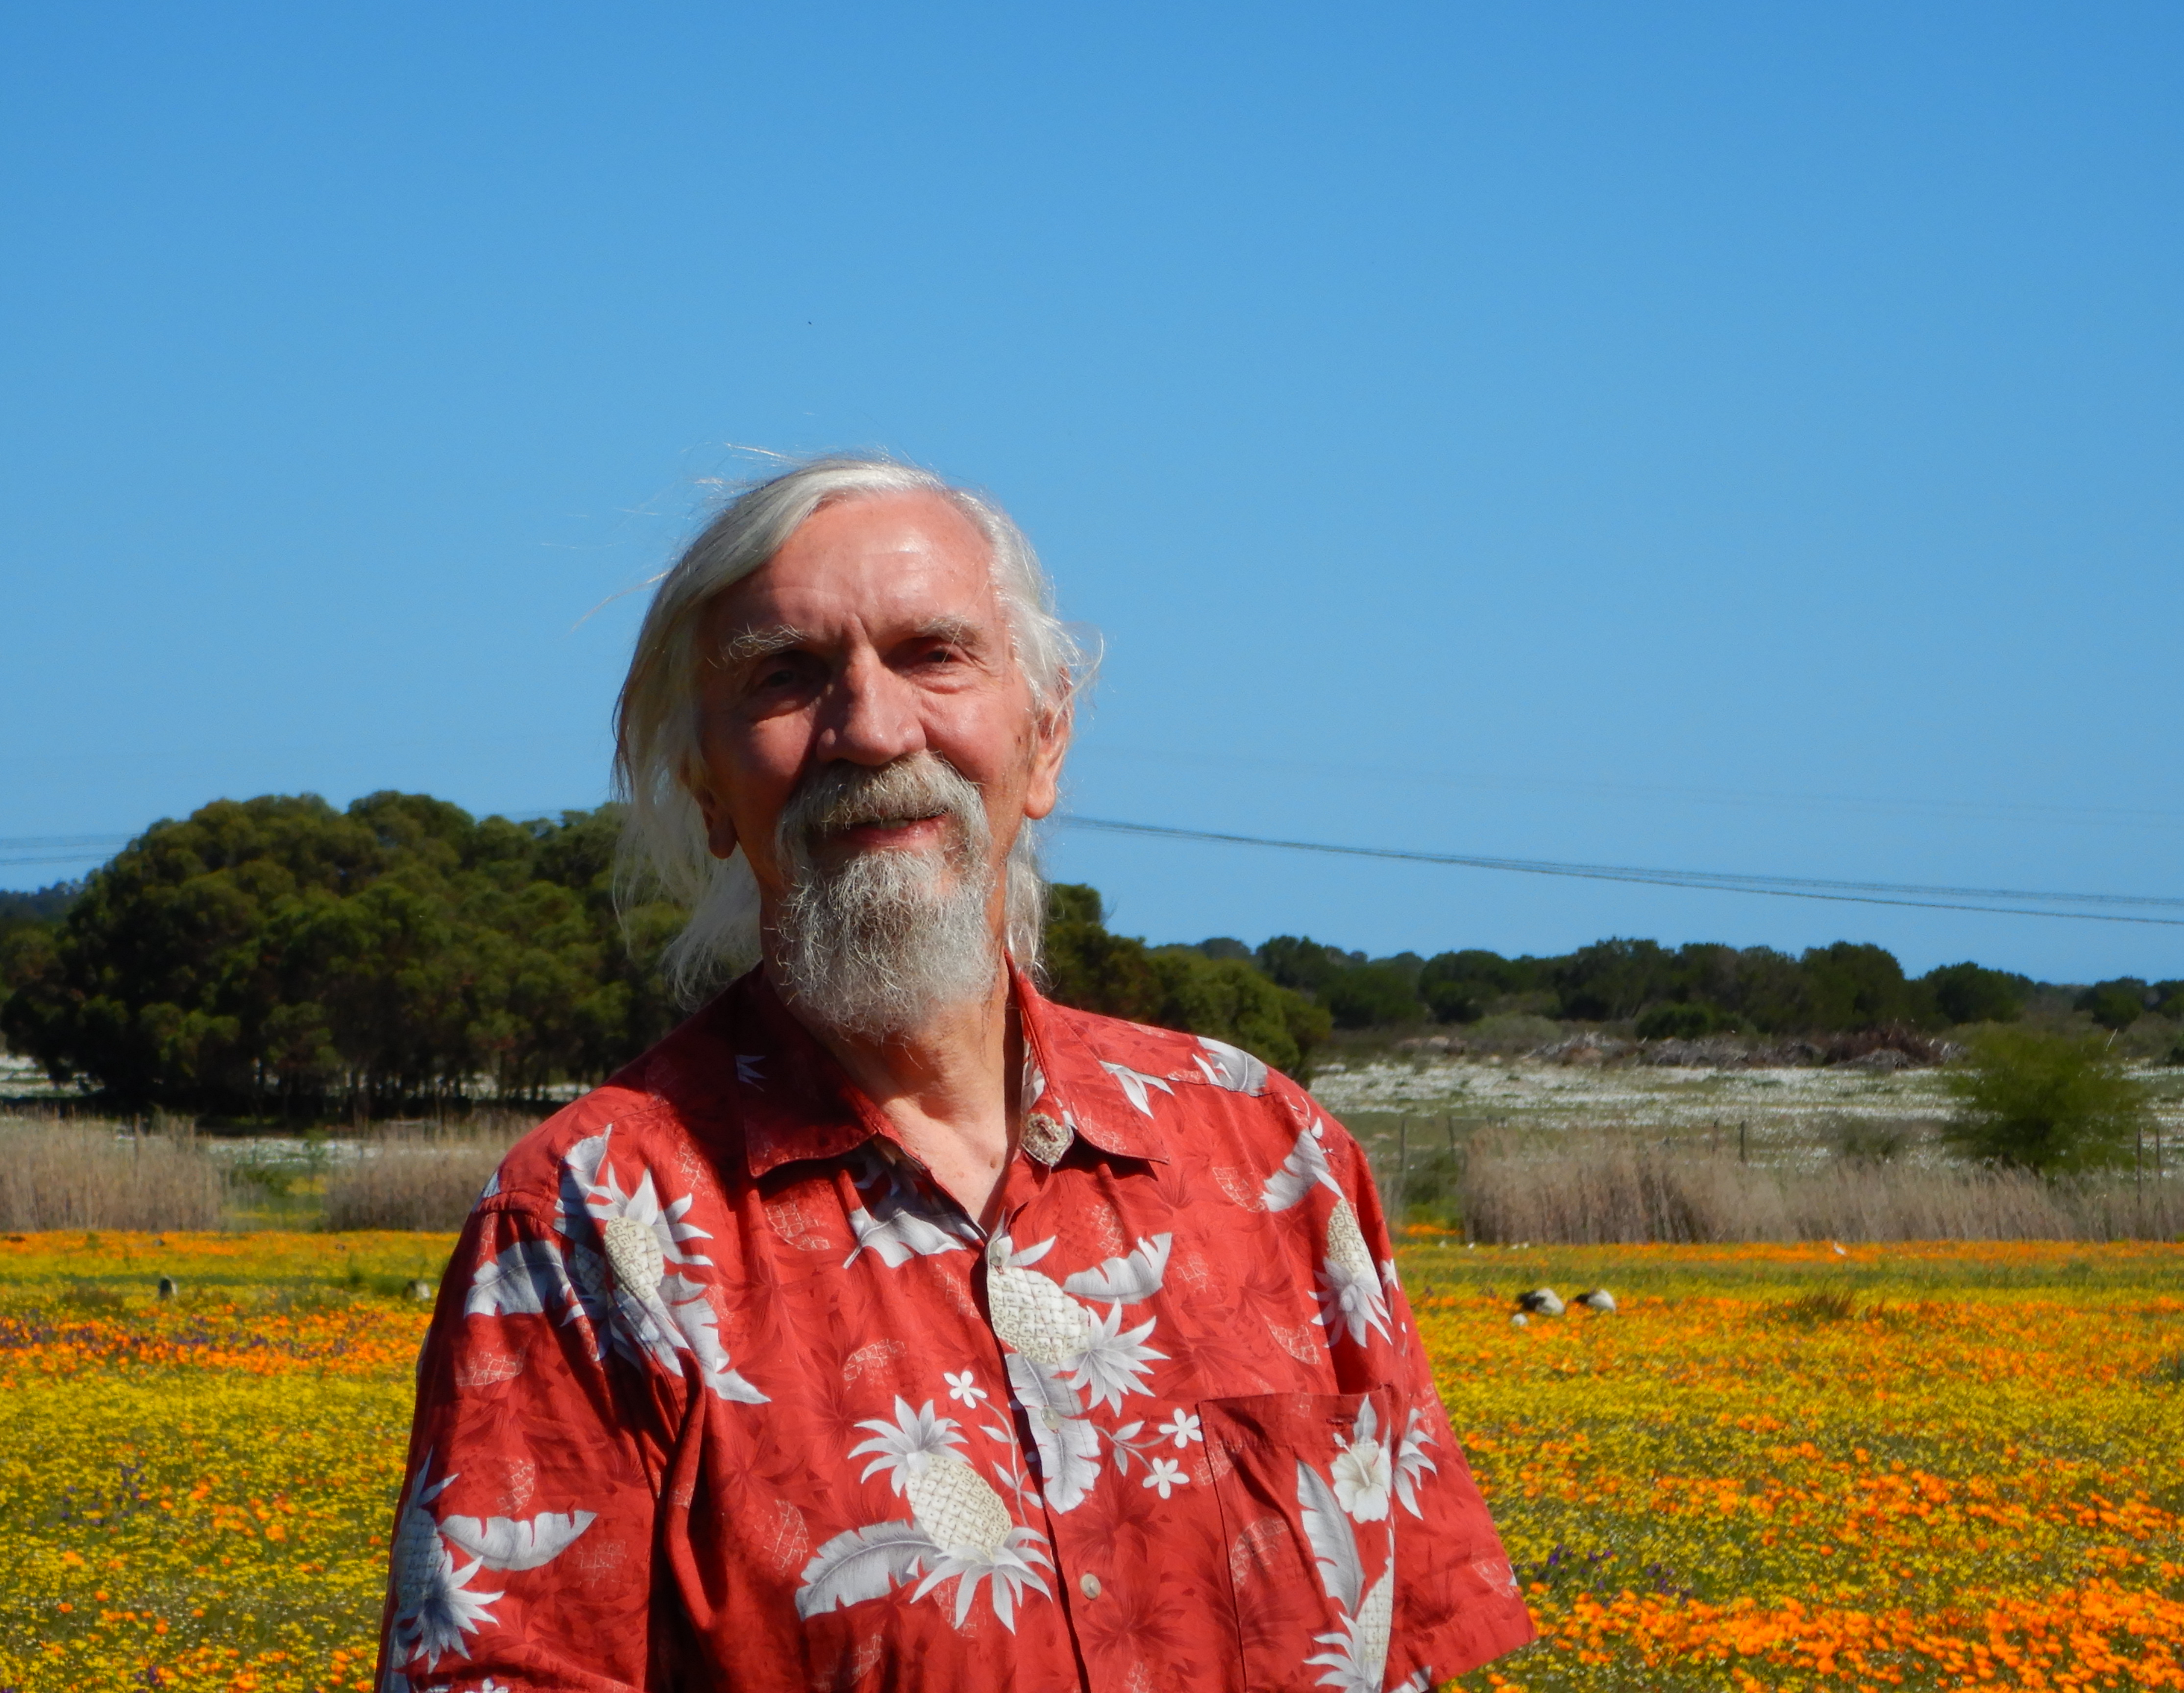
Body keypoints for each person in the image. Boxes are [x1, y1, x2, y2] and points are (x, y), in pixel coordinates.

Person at [378, 457, 1533, 1692]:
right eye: (786, 676)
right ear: (709, 787)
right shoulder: (591, 1227)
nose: (873, 731)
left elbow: (1407, 1645)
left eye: (934, 655)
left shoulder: (1270, 1155)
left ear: (1045, 740)